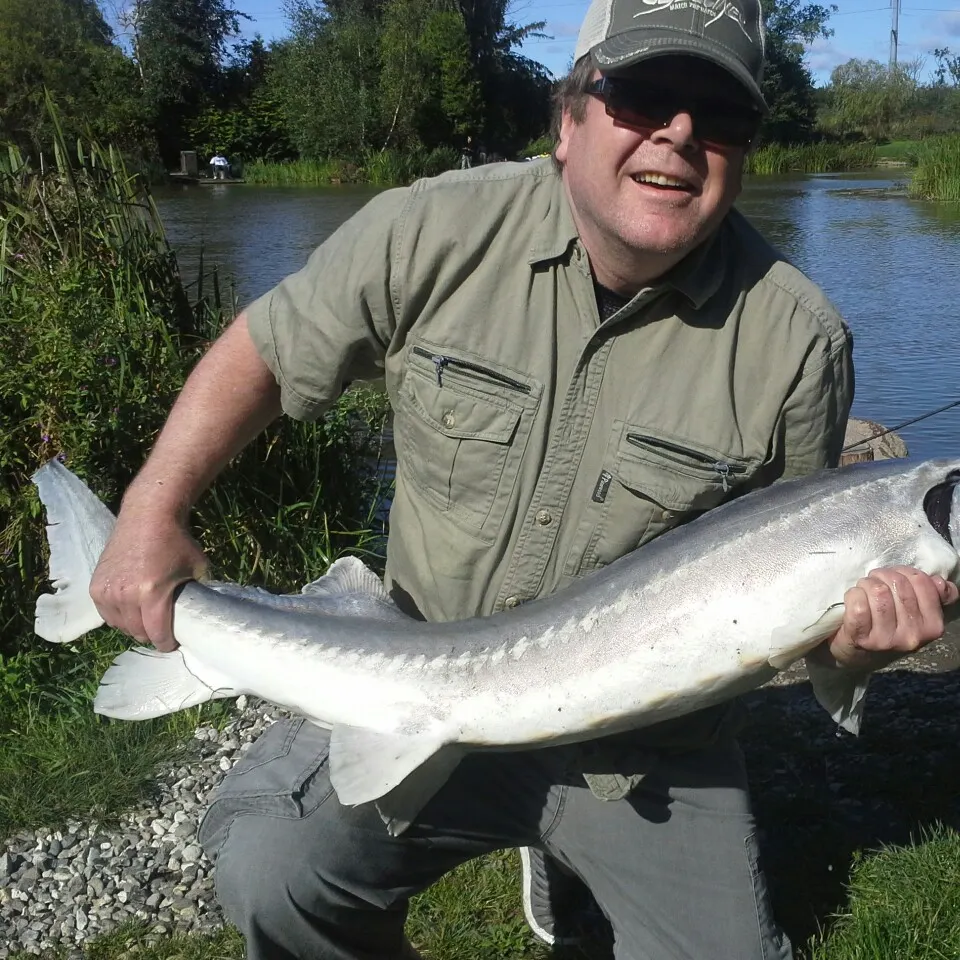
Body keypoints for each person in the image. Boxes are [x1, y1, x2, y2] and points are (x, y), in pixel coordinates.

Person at [89, 0, 958, 955]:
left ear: (746, 149)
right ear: (568, 119)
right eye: (642, 96)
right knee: (272, 873)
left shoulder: (798, 340)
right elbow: (262, 348)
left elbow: (812, 637)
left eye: (720, 115)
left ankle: (568, 849)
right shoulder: (436, 228)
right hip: (410, 669)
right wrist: (149, 510)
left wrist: (863, 653)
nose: (678, 134)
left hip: (647, 756)